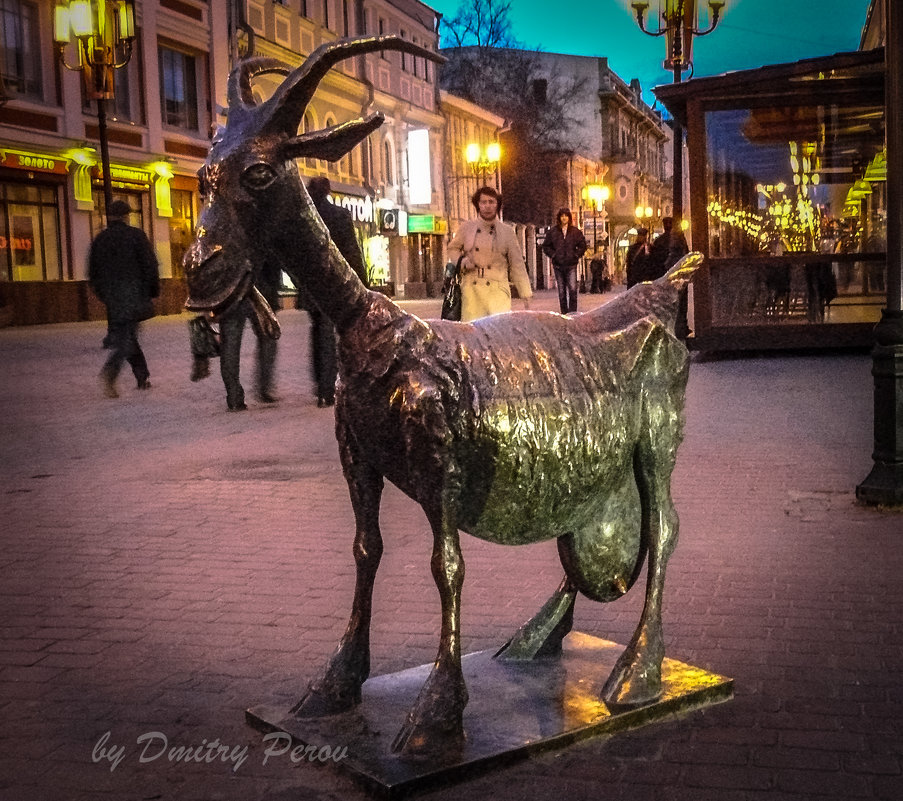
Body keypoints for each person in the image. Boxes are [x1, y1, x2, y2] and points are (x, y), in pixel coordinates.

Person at [298, 176, 369, 407]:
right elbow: (351, 249)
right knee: (330, 334)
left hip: (310, 284)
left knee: (318, 331)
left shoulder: (303, 216)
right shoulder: (339, 215)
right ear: (328, 191)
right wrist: (363, 281)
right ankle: (328, 389)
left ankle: (320, 384)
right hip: (333, 282)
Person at [88, 200, 159, 398]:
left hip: (114, 299)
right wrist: (151, 291)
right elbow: (150, 265)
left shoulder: (101, 240)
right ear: (127, 216)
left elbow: (93, 274)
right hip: (134, 295)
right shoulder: (136, 236)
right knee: (126, 339)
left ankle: (142, 376)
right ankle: (110, 373)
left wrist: (105, 295)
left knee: (127, 337)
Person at [446, 186, 532, 322]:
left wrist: (525, 292)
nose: (487, 206)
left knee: (498, 334)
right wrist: (462, 262)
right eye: (483, 202)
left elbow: (516, 263)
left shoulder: (507, 231)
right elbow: (452, 248)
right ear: (478, 205)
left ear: (497, 205)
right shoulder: (467, 228)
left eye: (491, 202)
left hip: (497, 291)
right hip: (471, 291)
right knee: (473, 336)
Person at [218, 260, 281, 411]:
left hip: (230, 290)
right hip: (259, 288)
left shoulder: (221, 235)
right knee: (267, 337)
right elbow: (271, 256)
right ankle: (264, 389)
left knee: (230, 344)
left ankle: (234, 398)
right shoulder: (260, 235)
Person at [542, 207, 587, 314]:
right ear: (559, 217)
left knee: (572, 289)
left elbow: (582, 245)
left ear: (569, 217)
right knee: (561, 292)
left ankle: (572, 313)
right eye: (562, 216)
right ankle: (564, 313)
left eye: (566, 216)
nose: (564, 218)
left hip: (571, 265)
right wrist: (554, 255)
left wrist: (575, 255)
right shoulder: (553, 232)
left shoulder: (575, 232)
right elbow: (546, 246)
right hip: (558, 265)